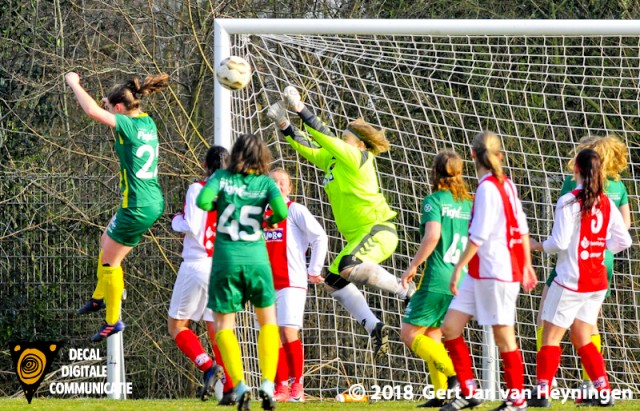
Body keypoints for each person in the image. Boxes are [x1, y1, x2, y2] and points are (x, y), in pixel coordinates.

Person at [267, 86, 415, 360]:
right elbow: (309, 147)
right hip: (361, 234)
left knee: (347, 266)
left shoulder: (358, 157)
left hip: (378, 229)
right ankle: (374, 326)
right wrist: (284, 124)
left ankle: (405, 290)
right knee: (333, 282)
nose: (340, 138)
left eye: (345, 136)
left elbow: (323, 136)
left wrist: (299, 107)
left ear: (358, 143)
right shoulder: (336, 162)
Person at [66, 71, 168, 342]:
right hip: (151, 201)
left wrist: (73, 82)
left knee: (112, 261)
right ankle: (99, 298)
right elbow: (109, 109)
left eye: (111, 107)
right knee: (105, 241)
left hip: (136, 206)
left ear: (119, 108)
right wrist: (108, 103)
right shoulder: (147, 122)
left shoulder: (127, 125)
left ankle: (113, 321)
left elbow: (90, 110)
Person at [439, 131, 537, 411]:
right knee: (450, 327)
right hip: (481, 272)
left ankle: (517, 399)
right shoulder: (503, 185)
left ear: (472, 156)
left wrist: (458, 267)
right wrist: (528, 263)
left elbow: (480, 235)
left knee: (504, 336)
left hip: (497, 272)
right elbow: (523, 228)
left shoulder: (491, 188)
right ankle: (469, 391)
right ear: (499, 156)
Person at [527, 148, 631, 408]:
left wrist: (534, 245)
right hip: (596, 282)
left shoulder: (569, 201)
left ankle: (541, 393)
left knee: (551, 337)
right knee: (582, 337)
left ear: (577, 170)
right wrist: (597, 247)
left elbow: (559, 242)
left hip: (570, 281)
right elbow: (624, 240)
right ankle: (603, 390)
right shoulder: (607, 202)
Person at [196, 133, 287, 411]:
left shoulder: (221, 178)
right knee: (268, 322)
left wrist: (219, 205)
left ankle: (240, 384)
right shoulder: (265, 182)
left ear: (235, 154)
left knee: (224, 326)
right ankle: (268, 384)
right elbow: (281, 211)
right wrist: (266, 220)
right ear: (262, 157)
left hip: (226, 262)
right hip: (257, 261)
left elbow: (202, 202)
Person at [400, 151, 472, 408]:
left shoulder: (434, 201)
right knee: (433, 333)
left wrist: (413, 265)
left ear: (435, 172)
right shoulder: (468, 204)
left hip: (437, 277)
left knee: (408, 332)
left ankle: (455, 373)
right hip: (461, 278)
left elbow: (432, 236)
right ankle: (441, 394)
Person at [169, 146, 236, 403]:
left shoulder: (198, 188)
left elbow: (194, 226)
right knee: (218, 330)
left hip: (198, 263)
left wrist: (177, 220)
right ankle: (231, 387)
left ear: (206, 165)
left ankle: (208, 367)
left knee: (177, 325)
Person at [264, 168, 328, 403]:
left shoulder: (295, 210)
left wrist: (314, 270)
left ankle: (297, 385)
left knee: (288, 331)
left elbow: (320, 237)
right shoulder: (262, 215)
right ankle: (280, 387)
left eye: (283, 182)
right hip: (267, 284)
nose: (278, 185)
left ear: (290, 188)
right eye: (274, 182)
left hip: (292, 281)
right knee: (272, 335)